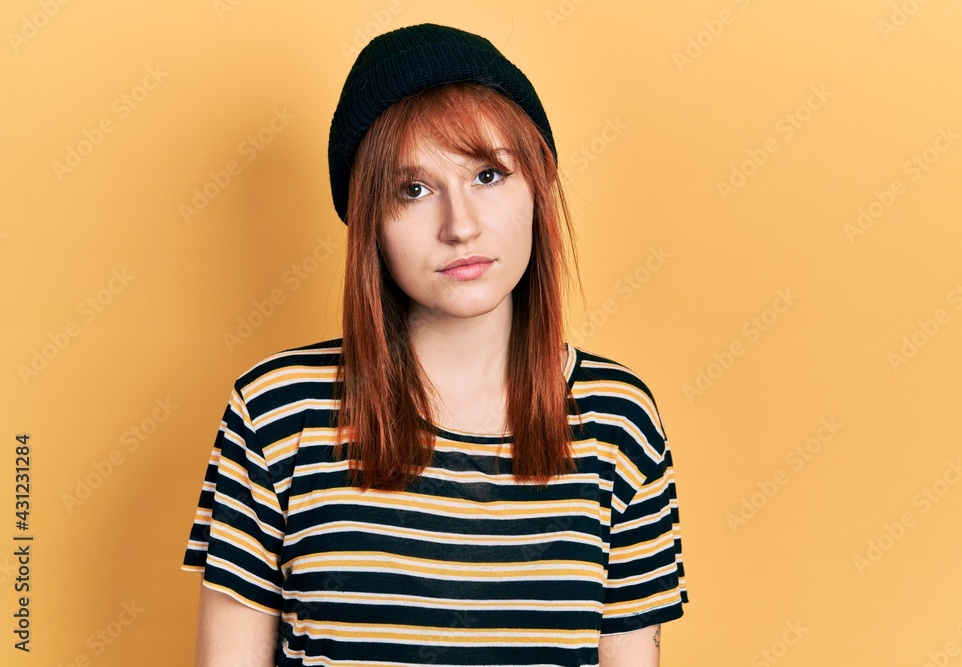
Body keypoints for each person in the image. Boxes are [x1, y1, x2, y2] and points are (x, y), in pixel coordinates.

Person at [182, 22, 687, 667]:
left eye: (488, 174)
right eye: (413, 190)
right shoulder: (276, 414)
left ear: (537, 186)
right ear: (371, 222)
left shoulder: (616, 420)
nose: (461, 225)